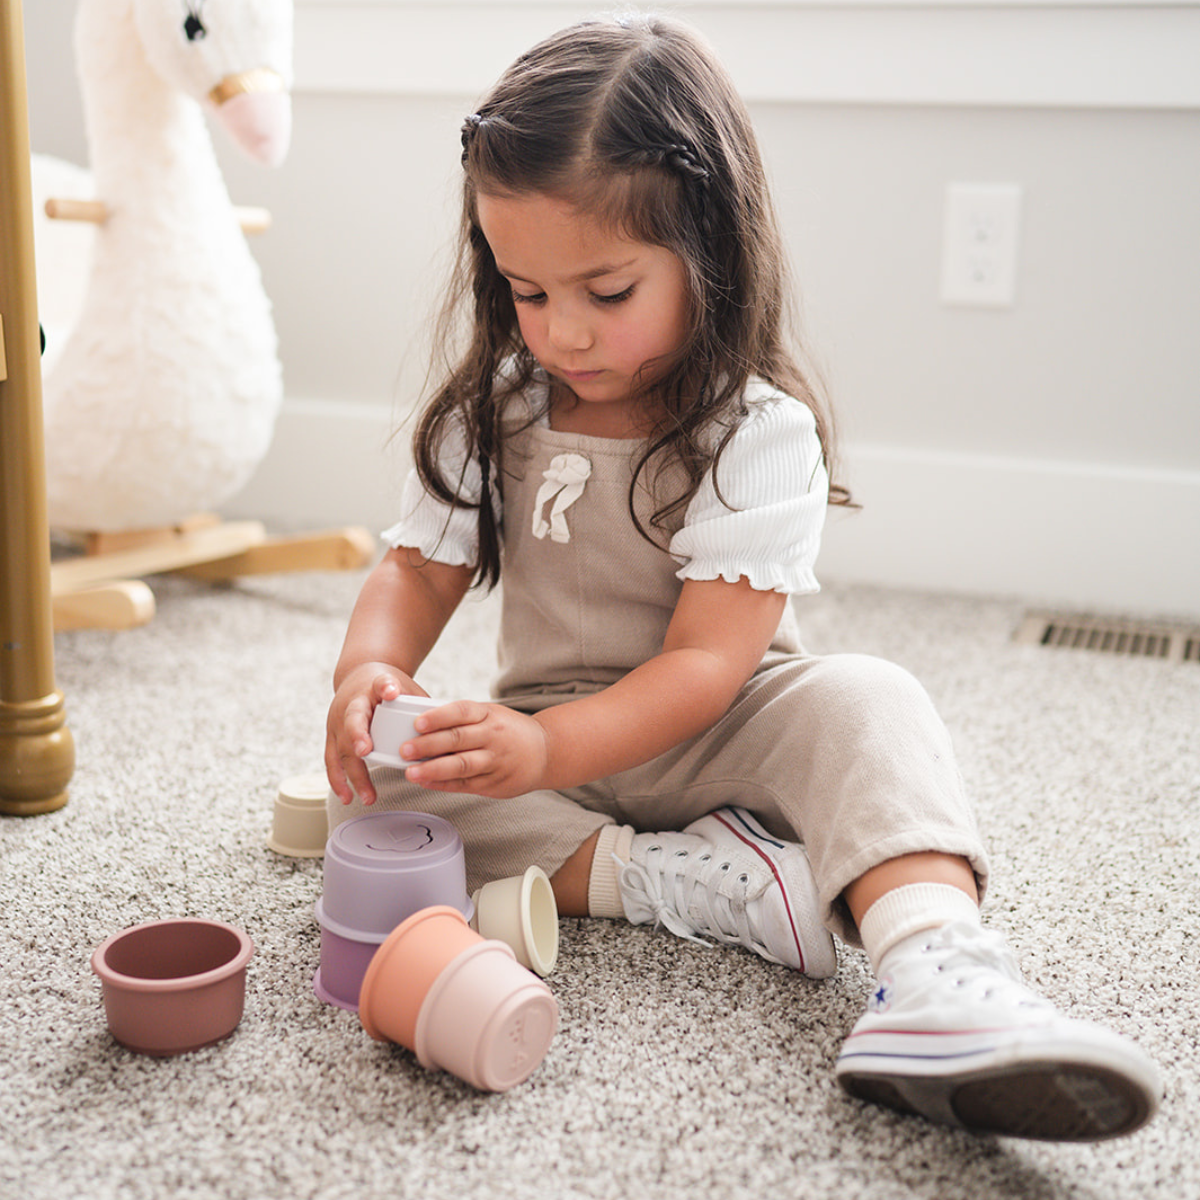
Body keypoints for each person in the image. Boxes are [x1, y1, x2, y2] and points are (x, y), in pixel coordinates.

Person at [325, 14, 1162, 1141]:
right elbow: (416, 571)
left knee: (872, 702)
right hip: (553, 736)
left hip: (723, 725)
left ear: (707, 252)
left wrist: (551, 753)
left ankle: (937, 969)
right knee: (378, 795)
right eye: (527, 291)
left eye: (608, 293)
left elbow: (709, 665)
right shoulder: (500, 410)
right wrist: (372, 672)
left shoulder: (754, 433)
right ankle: (675, 880)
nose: (564, 332)